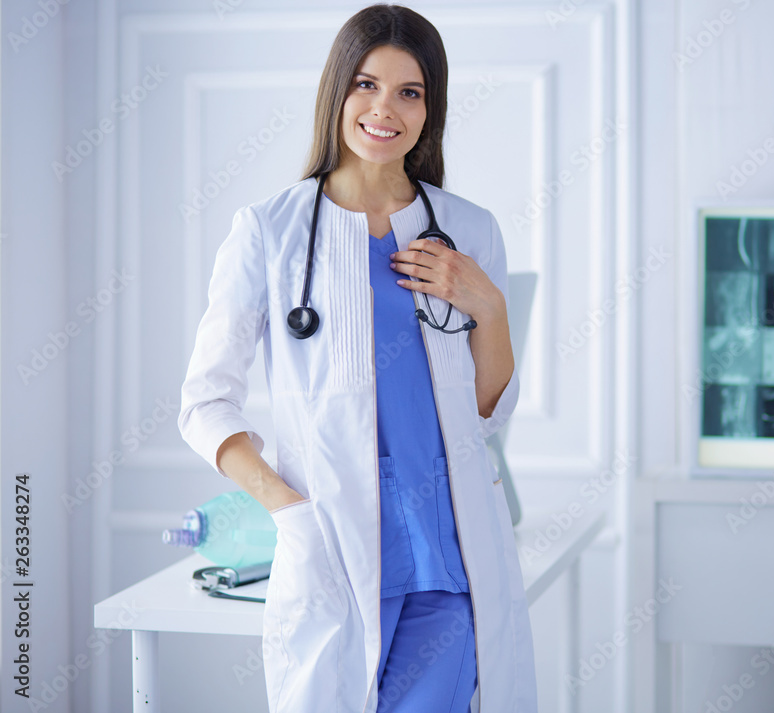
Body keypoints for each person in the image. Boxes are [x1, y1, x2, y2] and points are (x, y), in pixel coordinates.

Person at [176, 5, 538, 712]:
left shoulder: (467, 229)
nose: (384, 109)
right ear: (337, 89)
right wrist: (291, 512)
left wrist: (488, 306)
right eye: (367, 84)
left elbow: (486, 412)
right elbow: (203, 403)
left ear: (430, 109)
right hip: (333, 550)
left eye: (411, 92)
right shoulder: (268, 232)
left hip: (449, 558)